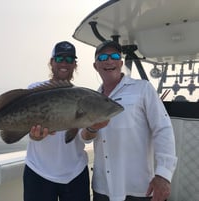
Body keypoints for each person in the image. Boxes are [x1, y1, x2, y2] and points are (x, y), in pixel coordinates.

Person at [81, 40, 178, 201]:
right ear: (95, 65)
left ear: (120, 62)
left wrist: (163, 174)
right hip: (102, 188)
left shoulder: (143, 88)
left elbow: (163, 128)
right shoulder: (90, 99)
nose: (109, 60)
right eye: (103, 57)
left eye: (114, 56)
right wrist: (92, 129)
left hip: (139, 189)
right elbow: (83, 136)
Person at [23, 41, 90, 201]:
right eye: (60, 59)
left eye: (69, 59)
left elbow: (83, 136)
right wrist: (34, 136)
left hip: (75, 173)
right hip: (38, 172)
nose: (64, 63)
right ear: (51, 62)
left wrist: (93, 129)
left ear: (75, 64)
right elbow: (25, 126)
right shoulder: (34, 90)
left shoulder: (82, 98)